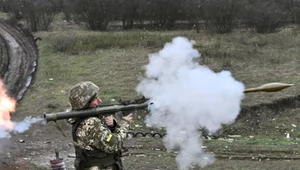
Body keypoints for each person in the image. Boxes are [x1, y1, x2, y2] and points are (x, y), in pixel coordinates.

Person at [67, 81, 133, 170]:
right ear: (85, 103)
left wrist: (112, 125)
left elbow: (102, 137)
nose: (99, 101)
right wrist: (125, 123)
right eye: (94, 99)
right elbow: (114, 145)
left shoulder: (81, 118)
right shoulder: (91, 123)